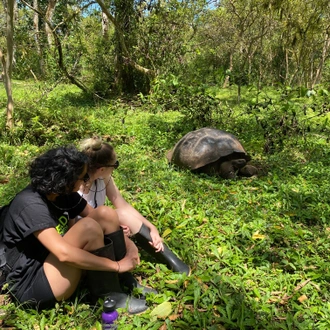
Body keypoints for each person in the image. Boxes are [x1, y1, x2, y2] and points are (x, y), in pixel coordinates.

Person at [2, 146, 148, 314]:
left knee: (105, 213)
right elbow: (63, 254)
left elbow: (101, 217)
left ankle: (123, 281)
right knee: (88, 227)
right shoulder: (30, 204)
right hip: (31, 284)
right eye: (83, 177)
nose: (85, 181)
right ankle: (109, 296)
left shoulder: (59, 193)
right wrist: (116, 266)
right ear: (66, 180)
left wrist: (128, 244)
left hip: (46, 261)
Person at [78, 137, 191, 276]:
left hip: (103, 223)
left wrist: (151, 227)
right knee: (114, 217)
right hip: (86, 234)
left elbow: (122, 205)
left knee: (122, 214)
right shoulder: (76, 185)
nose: (115, 168)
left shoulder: (104, 178)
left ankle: (167, 256)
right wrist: (115, 227)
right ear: (102, 169)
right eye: (115, 165)